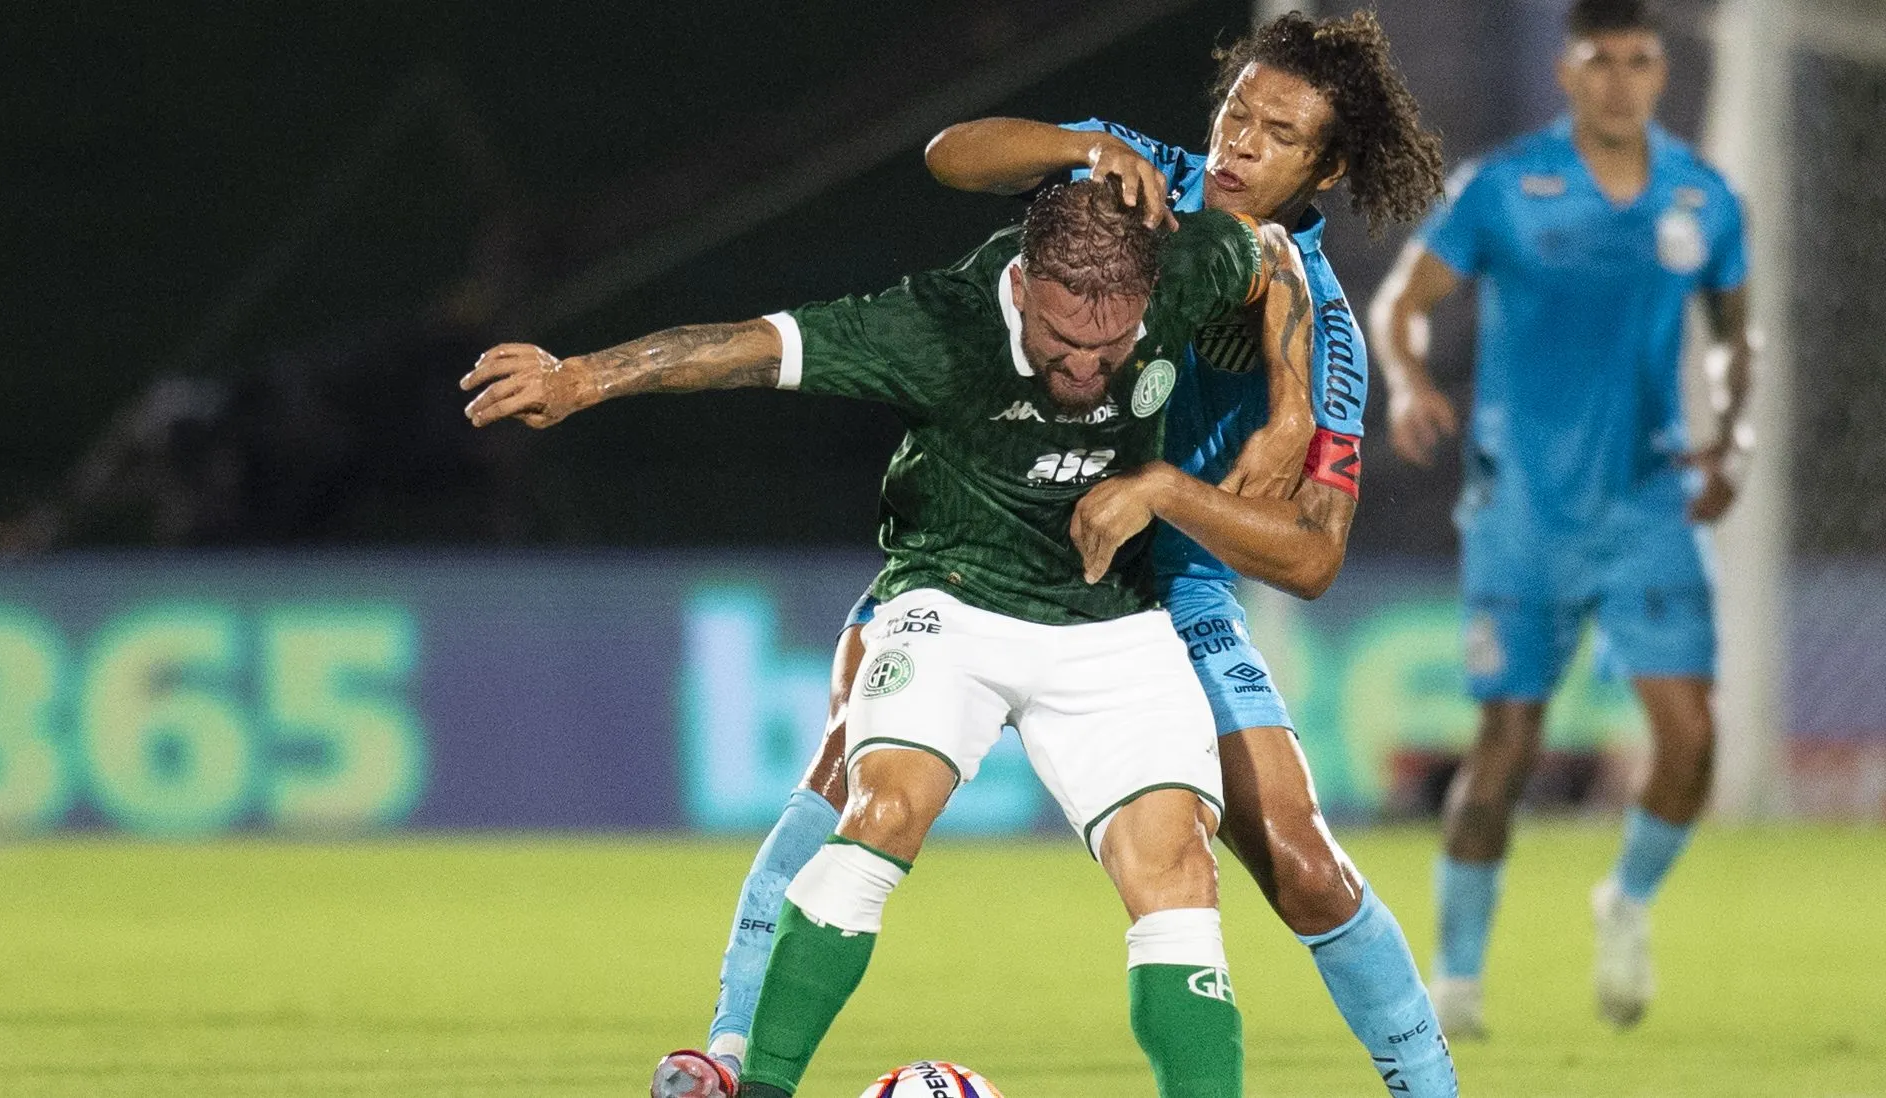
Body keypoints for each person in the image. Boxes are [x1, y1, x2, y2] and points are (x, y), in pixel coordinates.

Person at [657, 10, 1459, 1098]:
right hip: (998, 531)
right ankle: (732, 1056)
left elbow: (1310, 559)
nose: (1238, 145)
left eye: (1277, 133)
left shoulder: (1319, 330)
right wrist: (1076, 148)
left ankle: (1429, 1086)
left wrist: (1173, 490)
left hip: (1162, 585)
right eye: (1235, 114)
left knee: (1302, 867)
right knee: (853, 766)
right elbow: (953, 155)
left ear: (1329, 162)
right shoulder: (1136, 180)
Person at [466, 179, 1319, 1098]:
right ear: (1026, 286)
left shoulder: (1181, 266)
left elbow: (1274, 255)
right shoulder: (934, 326)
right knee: (885, 812)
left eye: (1112, 348)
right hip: (950, 599)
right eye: (1066, 343)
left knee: (1181, 875)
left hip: (1110, 616)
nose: (1086, 369)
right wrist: (582, 377)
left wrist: (1292, 407)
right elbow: (750, 347)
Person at [1368, 0, 1752, 1037]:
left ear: (1658, 73)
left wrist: (1733, 435)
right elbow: (1399, 301)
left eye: (1638, 61)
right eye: (1600, 62)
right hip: (1523, 514)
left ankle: (1623, 901)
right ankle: (1453, 976)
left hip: (1648, 506)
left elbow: (1728, 335)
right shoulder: (1501, 191)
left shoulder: (1701, 197)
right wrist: (1405, 382)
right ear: (1566, 74)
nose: (1620, 80)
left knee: (1691, 738)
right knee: (1505, 743)